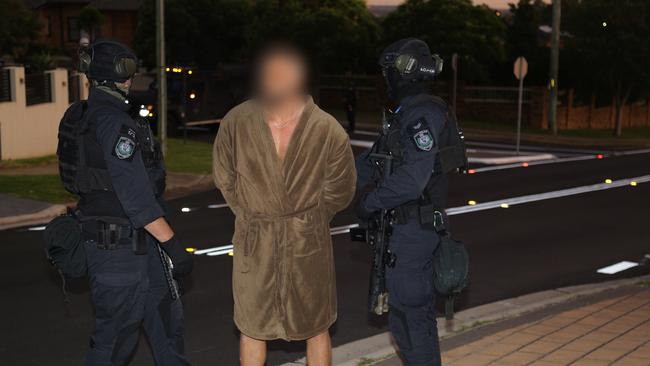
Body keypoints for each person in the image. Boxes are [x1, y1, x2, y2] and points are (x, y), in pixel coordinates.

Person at [213, 43, 356, 366]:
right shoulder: (237, 122)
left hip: (308, 242)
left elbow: (342, 188)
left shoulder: (326, 129)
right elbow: (225, 177)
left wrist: (310, 219)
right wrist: (251, 212)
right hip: (255, 240)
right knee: (251, 327)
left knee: (316, 326)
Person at [59, 40, 193, 365]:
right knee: (116, 340)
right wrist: (174, 247)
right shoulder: (113, 123)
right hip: (117, 250)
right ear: (123, 75)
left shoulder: (85, 115)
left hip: (137, 245)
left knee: (166, 322)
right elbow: (136, 198)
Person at [355, 38, 465, 366]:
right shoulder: (406, 113)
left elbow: (412, 180)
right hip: (403, 231)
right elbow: (372, 162)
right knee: (402, 320)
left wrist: (369, 203)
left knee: (413, 321)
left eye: (389, 71)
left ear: (403, 71)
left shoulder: (423, 113)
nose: (385, 78)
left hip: (414, 231)